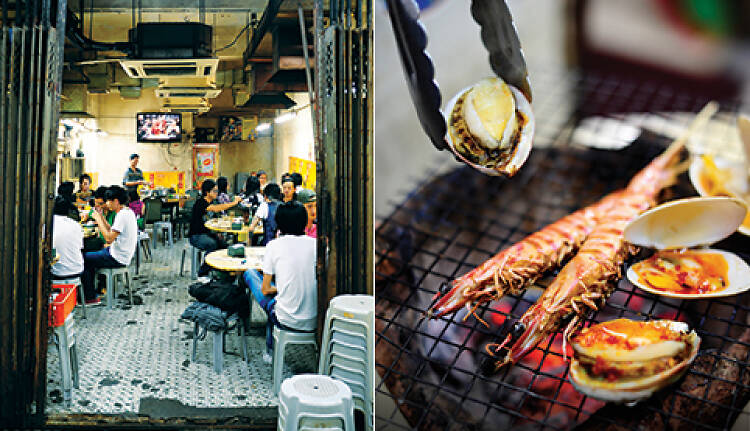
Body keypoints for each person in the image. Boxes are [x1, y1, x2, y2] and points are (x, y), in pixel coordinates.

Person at [241, 201, 317, 363]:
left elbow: (266, 289)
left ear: (279, 223)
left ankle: (269, 350)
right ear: (304, 221)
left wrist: (280, 288)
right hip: (315, 319)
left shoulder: (274, 246)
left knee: (250, 274)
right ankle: (269, 350)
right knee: (280, 298)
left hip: (285, 319)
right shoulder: (315, 244)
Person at [81, 186, 138, 303]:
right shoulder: (127, 212)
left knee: (83, 259)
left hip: (118, 257)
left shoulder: (122, 215)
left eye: (108, 201)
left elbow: (108, 239)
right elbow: (112, 230)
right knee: (89, 255)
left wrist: (97, 218)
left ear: (116, 201)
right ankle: (95, 290)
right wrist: (100, 217)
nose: (107, 204)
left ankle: (90, 297)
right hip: (118, 253)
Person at [188, 179, 242, 276]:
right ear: (207, 192)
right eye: (214, 191)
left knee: (224, 245)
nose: (217, 193)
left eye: (217, 191)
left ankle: (222, 272)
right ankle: (203, 272)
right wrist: (234, 203)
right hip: (196, 236)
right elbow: (216, 209)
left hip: (207, 233)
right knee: (213, 244)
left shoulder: (213, 201)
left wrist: (218, 233)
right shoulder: (201, 203)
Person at [51, 196, 84, 281]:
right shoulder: (76, 225)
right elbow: (80, 247)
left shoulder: (48, 225)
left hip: (56, 272)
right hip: (77, 270)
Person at [81, 186, 113, 252]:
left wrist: (99, 218)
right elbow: (90, 214)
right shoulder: (99, 209)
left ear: (108, 201)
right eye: (96, 202)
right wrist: (86, 216)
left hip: (107, 245)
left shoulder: (114, 213)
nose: (97, 205)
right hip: (99, 240)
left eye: (100, 203)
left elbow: (112, 235)